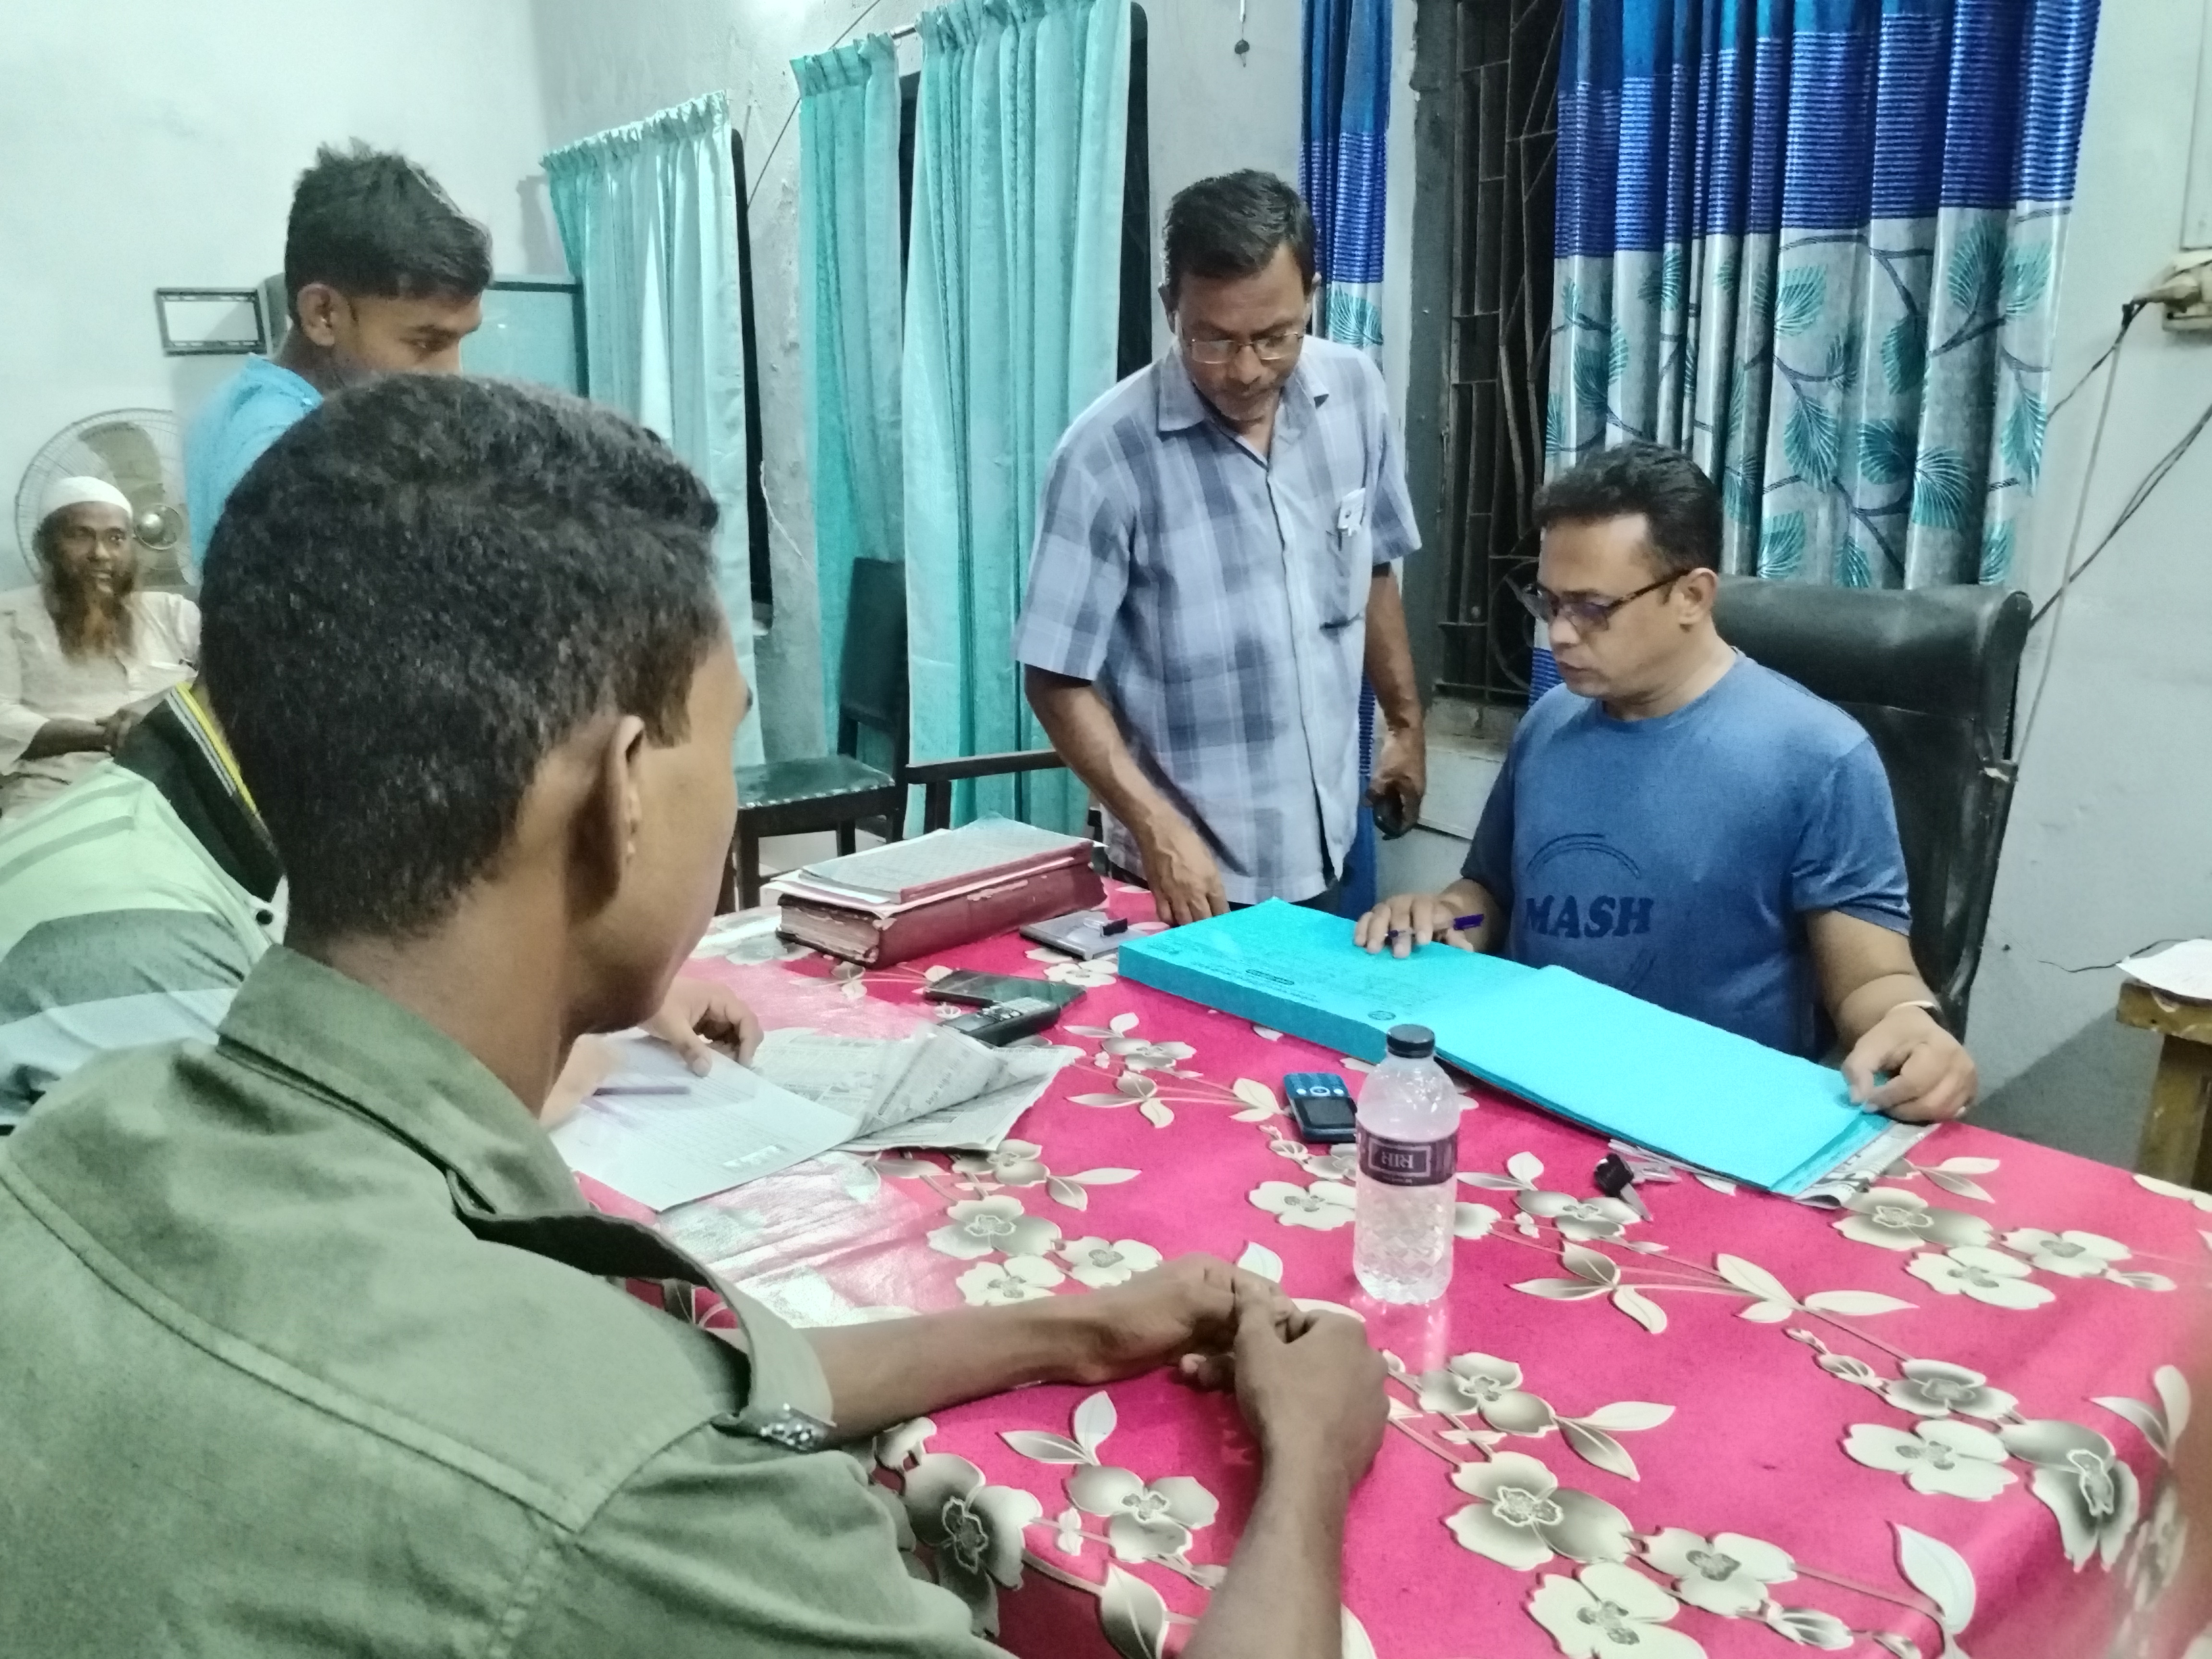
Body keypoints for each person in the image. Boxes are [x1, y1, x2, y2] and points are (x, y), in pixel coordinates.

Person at [0, 373, 1387, 1656]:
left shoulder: (87, 1133)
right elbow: (624, 1435)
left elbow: (695, 1370)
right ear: (620, 792)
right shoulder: (634, 1496)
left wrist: (1076, 1329)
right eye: (723, 736)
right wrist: (1311, 1460)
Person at [1358, 442, 1978, 1123]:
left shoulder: (1819, 756)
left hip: (1707, 1119)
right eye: (1549, 602)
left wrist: (1911, 1025)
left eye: (1592, 608)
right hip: (1531, 1086)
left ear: (1692, 595)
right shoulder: (1550, 723)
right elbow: (1495, 899)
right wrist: (1448, 917)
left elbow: (1873, 980)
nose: (1560, 634)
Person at [0, 681, 759, 1128]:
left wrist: (591, 986)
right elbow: (317, 1222)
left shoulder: (249, 823)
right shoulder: (133, 935)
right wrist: (549, 1060)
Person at [1016, 170, 1425, 923]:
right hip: (1191, 878)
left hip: (1335, 842)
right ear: (1170, 307)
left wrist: (1405, 724)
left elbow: (1373, 566)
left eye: (1274, 337)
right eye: (1213, 339)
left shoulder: (1355, 394)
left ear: (1311, 297)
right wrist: (1155, 827)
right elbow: (1054, 676)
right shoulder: (1104, 457)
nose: (1246, 370)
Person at [184, 141, 491, 572]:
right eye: (425, 343)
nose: (453, 374)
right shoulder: (288, 450)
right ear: (324, 315)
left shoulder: (241, 399)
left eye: (461, 339)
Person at [0, 475, 197, 817]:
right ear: (44, 546)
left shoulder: (174, 613)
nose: (100, 554)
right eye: (81, 536)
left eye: (116, 538)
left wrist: (160, 713)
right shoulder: (9, 617)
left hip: (181, 793)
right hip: (59, 794)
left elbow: (235, 680)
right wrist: (107, 736)